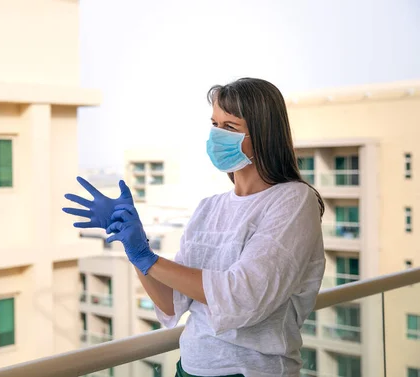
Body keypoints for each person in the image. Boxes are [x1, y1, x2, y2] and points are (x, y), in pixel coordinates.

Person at [63, 78, 326, 377]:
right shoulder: (209, 208)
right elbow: (171, 302)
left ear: (265, 135)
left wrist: (151, 260)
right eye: (214, 124)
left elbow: (245, 296)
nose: (217, 136)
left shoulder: (293, 200)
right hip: (189, 368)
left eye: (230, 127)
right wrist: (137, 250)